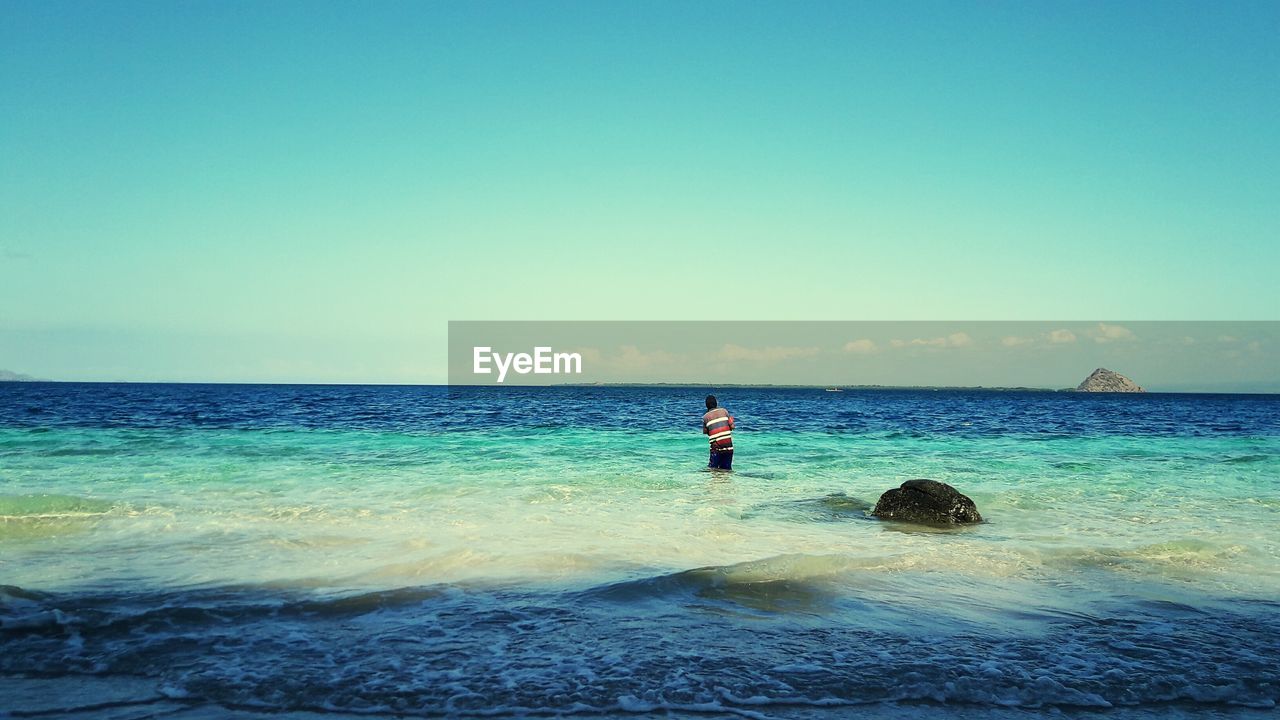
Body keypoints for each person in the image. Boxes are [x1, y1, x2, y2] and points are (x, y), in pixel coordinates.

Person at [701, 395, 734, 470]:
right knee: (727, 469)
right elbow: (732, 427)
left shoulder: (705, 417)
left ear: (706, 405)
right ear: (716, 403)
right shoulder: (724, 411)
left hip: (716, 448)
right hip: (728, 447)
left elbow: (706, 432)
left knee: (712, 469)